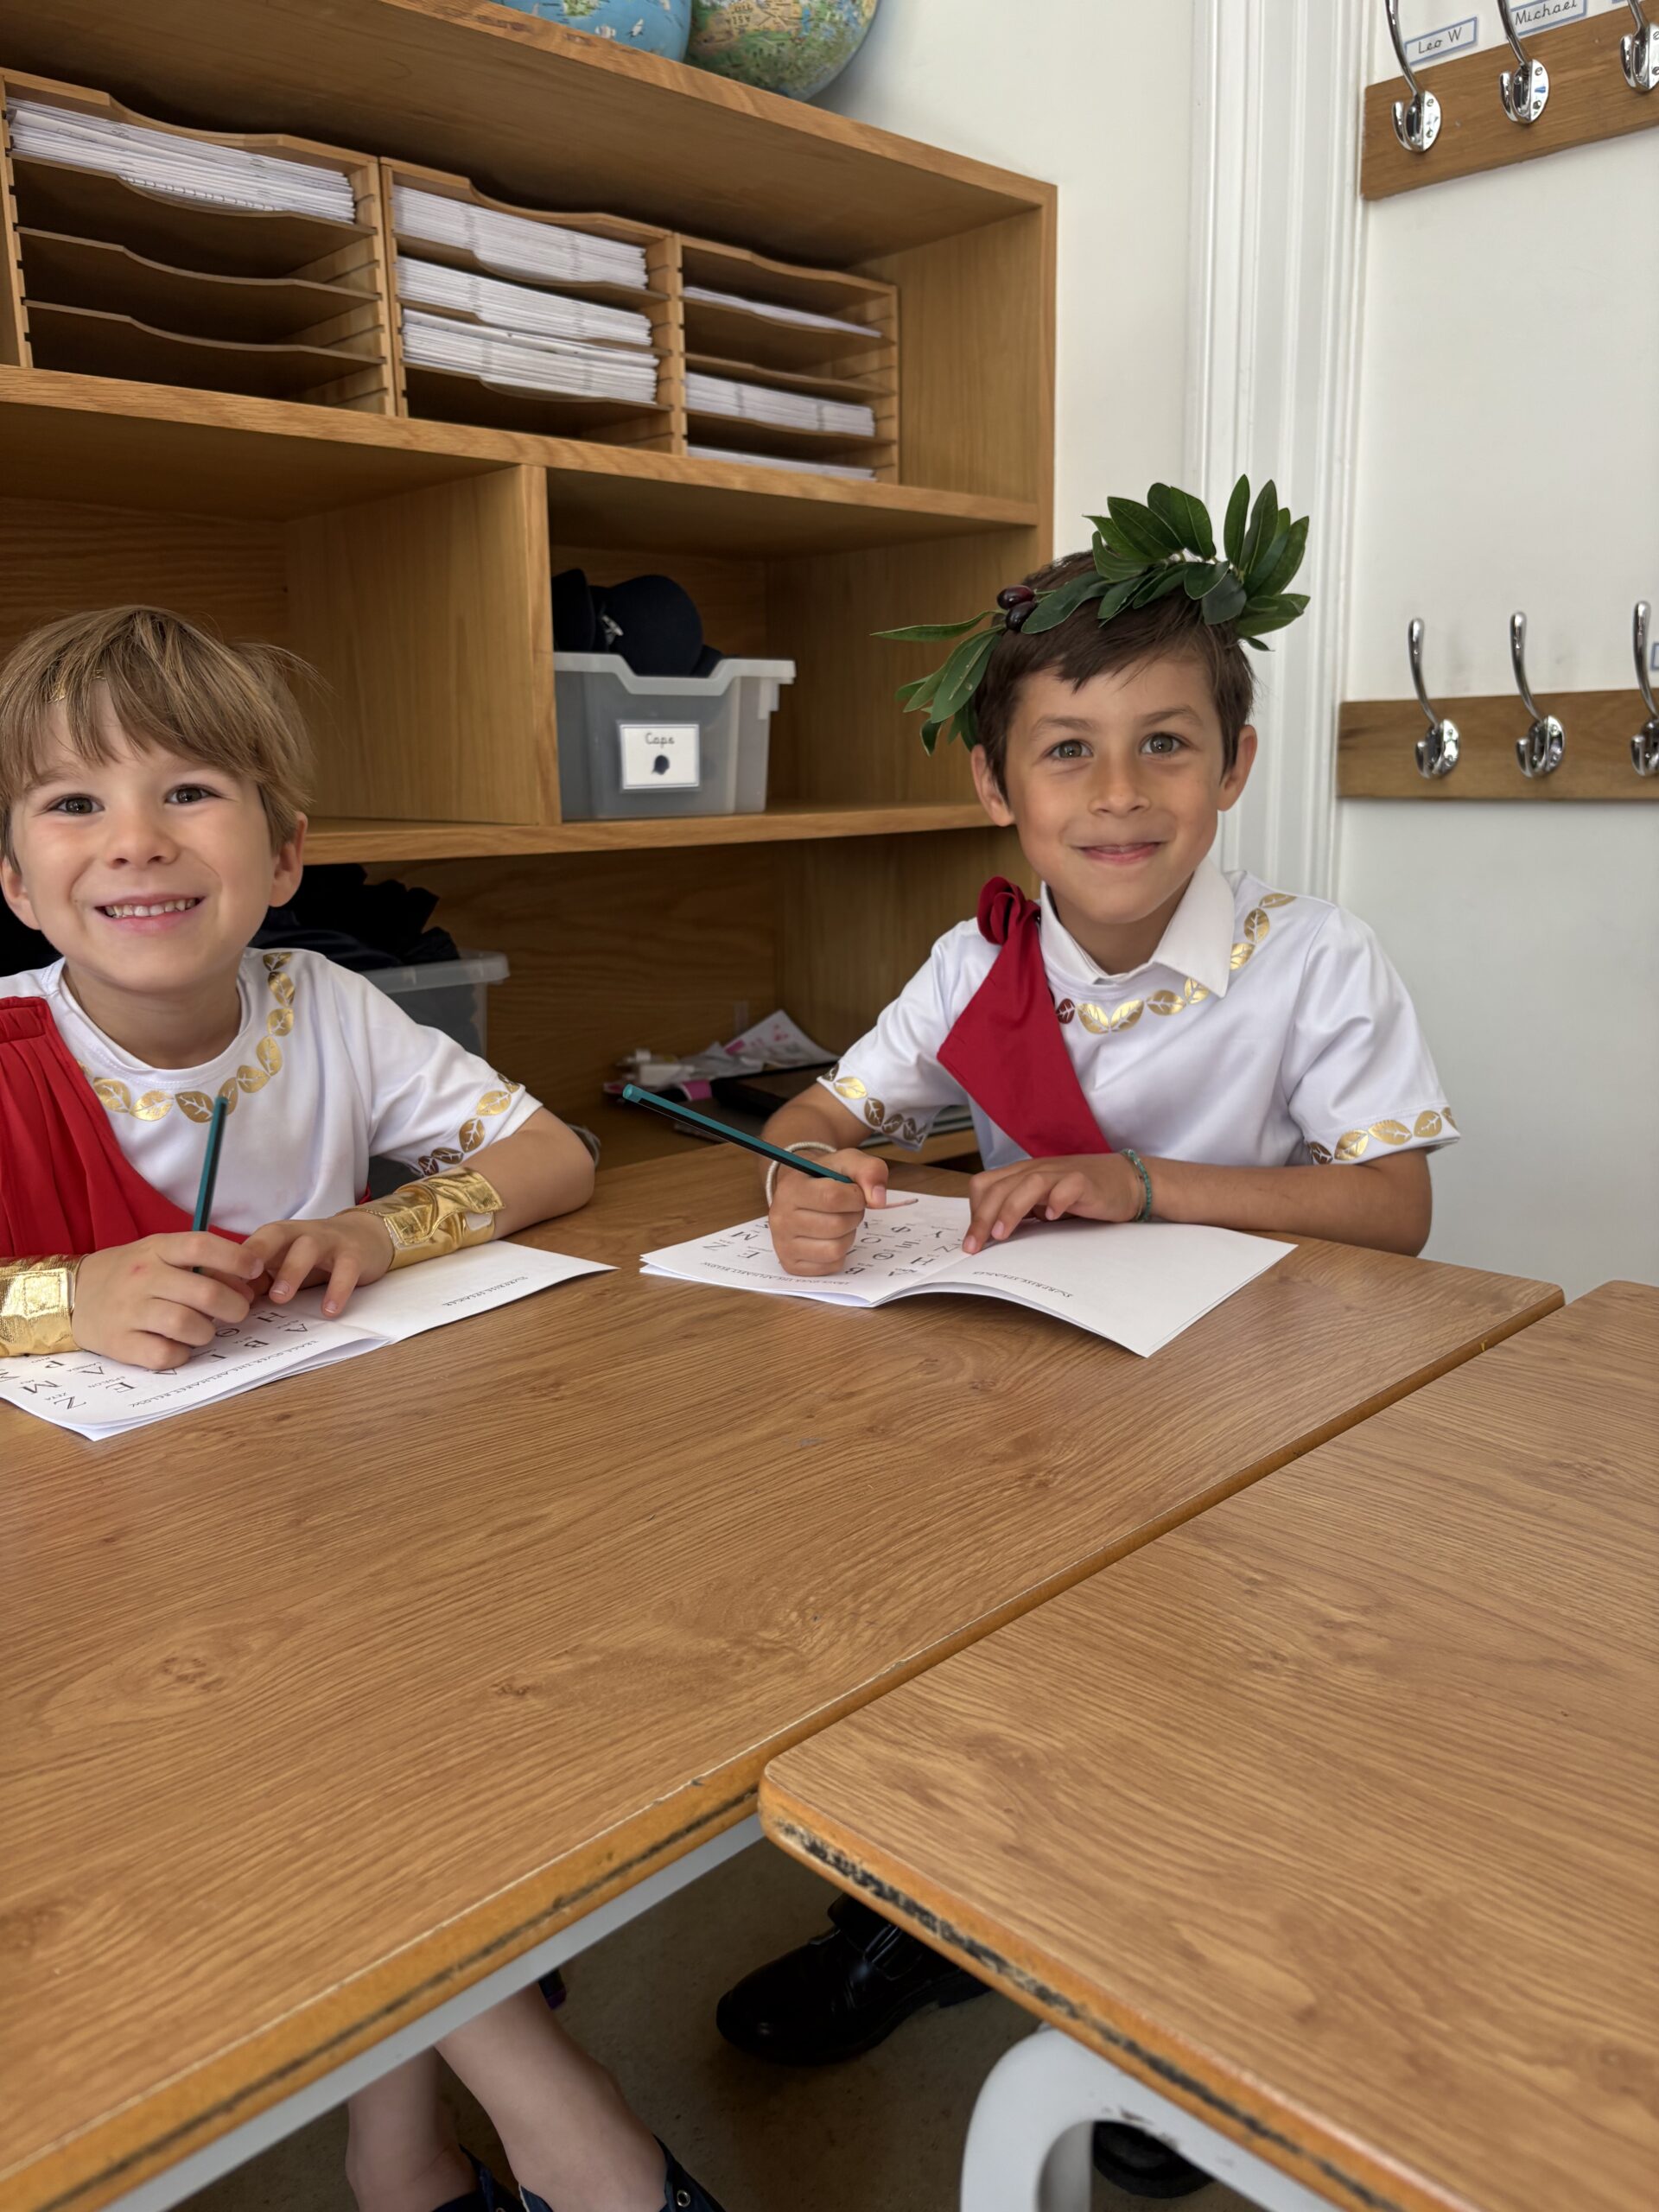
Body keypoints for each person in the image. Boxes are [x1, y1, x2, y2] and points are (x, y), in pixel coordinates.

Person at [715, 481, 1457, 2201]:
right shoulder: (977, 962)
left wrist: (1142, 1181)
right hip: (1033, 1404)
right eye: (1069, 751)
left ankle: (1176, 2001)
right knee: (965, 1680)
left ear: (1235, 764)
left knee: (1208, 1716)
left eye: (1164, 744)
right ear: (999, 785)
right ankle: (914, 1923)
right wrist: (804, 1171)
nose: (1119, 793)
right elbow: (831, 1105)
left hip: (1264, 1421)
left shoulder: (1312, 958)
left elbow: (1396, 1208)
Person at [0, 607, 726, 2212]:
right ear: (15, 880)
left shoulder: (320, 1004)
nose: (135, 839)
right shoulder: (3, 1047)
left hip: (313, 1518)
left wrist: (384, 1226)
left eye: (189, 792)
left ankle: (399, 2149)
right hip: (79, 1606)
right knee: (324, 1744)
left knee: (464, 1665)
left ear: (282, 857)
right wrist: (65, 1297)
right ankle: (558, 2117)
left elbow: (554, 1155)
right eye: (73, 802)